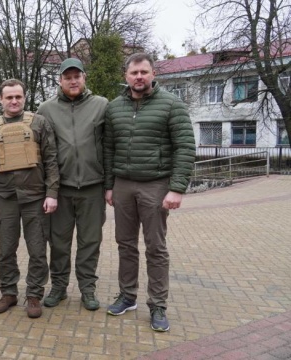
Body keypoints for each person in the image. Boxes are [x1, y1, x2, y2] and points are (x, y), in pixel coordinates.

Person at [103, 53, 195, 332]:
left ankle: (157, 305)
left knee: (156, 247)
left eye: (144, 71)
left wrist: (177, 188)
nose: (139, 77)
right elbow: (108, 148)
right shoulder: (114, 107)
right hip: (123, 185)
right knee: (125, 244)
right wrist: (109, 185)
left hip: (156, 184)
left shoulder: (171, 104)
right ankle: (128, 296)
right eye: (134, 73)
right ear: (126, 76)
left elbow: (185, 147)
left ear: (153, 73)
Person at [0, 79, 59, 318]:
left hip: (36, 197)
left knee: (37, 250)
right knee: (6, 250)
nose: (14, 101)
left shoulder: (39, 123)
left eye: (18, 97)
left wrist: (52, 193)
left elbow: (51, 160)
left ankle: (34, 294)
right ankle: (9, 292)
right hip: (5, 198)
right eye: (9, 97)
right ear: (1, 99)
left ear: (24, 98)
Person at [37, 58, 108, 310]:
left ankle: (88, 288)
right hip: (61, 189)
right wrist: (48, 190)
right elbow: (42, 153)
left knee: (90, 242)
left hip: (93, 187)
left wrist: (109, 185)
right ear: (60, 80)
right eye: (67, 77)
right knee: (58, 242)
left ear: (84, 77)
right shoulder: (46, 109)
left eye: (77, 76)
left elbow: (109, 146)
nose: (73, 80)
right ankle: (59, 286)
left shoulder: (101, 105)